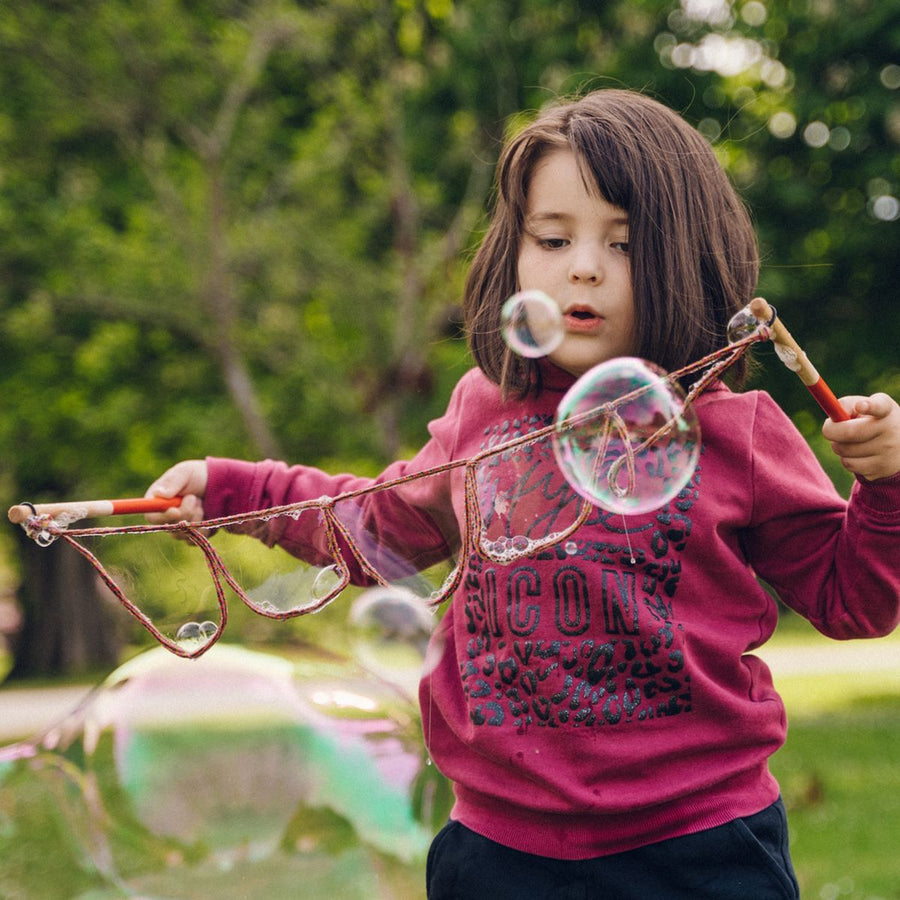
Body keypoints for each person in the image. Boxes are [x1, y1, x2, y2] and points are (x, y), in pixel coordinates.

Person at [145, 89, 900, 898]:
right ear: (515, 252)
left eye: (624, 243)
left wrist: (886, 483)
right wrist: (236, 489)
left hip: (698, 848)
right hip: (499, 853)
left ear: (688, 259)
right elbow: (378, 526)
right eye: (553, 237)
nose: (582, 264)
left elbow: (852, 600)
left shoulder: (734, 430)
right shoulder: (483, 408)